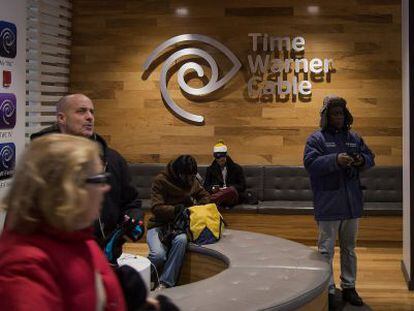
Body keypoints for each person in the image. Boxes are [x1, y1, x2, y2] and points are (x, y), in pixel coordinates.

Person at [0, 134, 126, 310]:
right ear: (68, 188)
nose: (106, 187)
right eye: (99, 179)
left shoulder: (78, 236)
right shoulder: (25, 267)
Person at [31, 94, 143, 258]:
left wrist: (128, 225)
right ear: (61, 118)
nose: (89, 117)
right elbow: (23, 214)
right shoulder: (40, 161)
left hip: (105, 259)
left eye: (92, 112)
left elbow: (132, 202)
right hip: (54, 262)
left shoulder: (113, 159)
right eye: (81, 111)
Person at [303, 95, 375, 310]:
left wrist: (362, 160)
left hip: (352, 204)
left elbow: (370, 157)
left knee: (349, 249)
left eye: (341, 113)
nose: (339, 117)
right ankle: (328, 290)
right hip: (328, 204)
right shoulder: (316, 139)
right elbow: (310, 164)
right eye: (334, 113)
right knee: (325, 250)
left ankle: (349, 286)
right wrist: (335, 160)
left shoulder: (354, 137)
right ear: (326, 116)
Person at [147, 155, 210, 289]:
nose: (189, 180)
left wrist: (194, 209)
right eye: (187, 176)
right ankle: (143, 278)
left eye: (192, 176)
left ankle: (165, 283)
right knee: (158, 255)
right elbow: (155, 208)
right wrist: (176, 209)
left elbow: (205, 196)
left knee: (181, 240)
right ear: (178, 173)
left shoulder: (192, 180)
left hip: (179, 227)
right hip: (158, 225)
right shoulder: (161, 180)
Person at [204, 140, 246, 209]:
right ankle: (214, 200)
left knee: (231, 190)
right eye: (218, 159)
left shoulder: (236, 168)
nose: (220, 161)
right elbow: (206, 187)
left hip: (232, 197)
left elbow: (242, 186)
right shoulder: (210, 170)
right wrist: (213, 188)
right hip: (218, 196)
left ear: (226, 156)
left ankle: (209, 201)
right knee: (221, 194)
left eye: (222, 159)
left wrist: (228, 188)